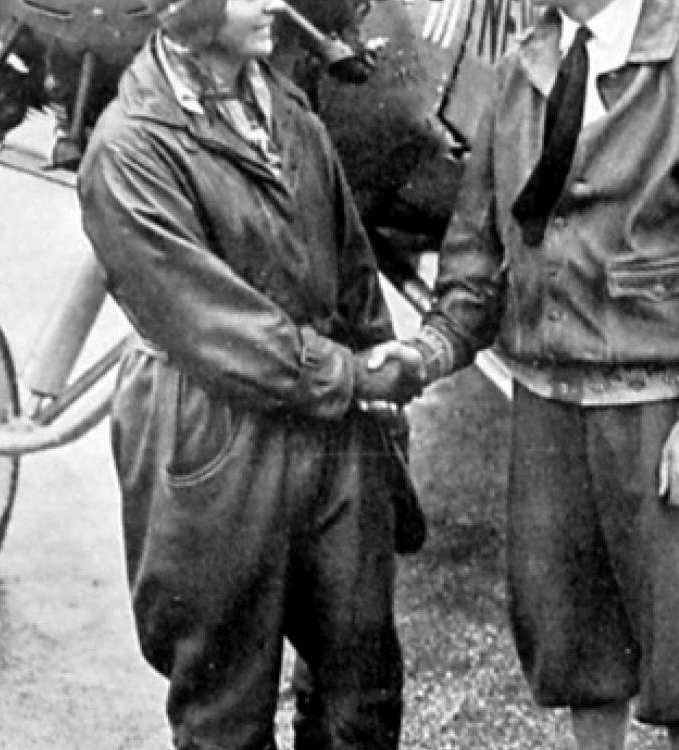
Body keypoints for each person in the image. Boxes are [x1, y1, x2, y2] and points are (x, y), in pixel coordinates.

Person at [371, 0, 679, 747]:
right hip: (549, 416)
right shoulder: (515, 78)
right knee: (577, 650)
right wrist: (428, 352)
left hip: (659, 414)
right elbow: (473, 263)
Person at [77, 1, 423, 748]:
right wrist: (352, 376)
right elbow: (209, 323)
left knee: (362, 694)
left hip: (332, 425)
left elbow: (350, 260)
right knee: (225, 711)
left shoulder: (285, 106)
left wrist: (379, 365)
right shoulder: (129, 147)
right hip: (212, 435)